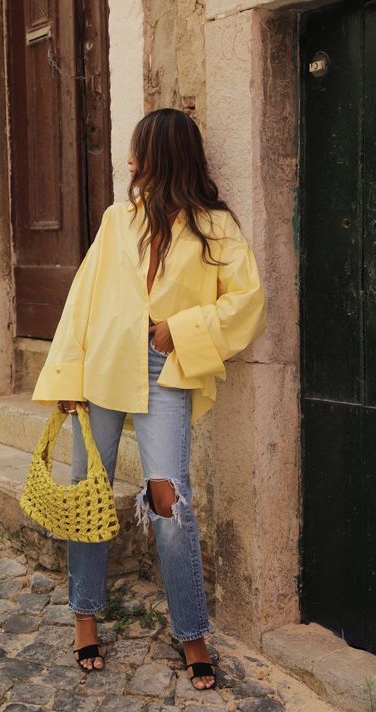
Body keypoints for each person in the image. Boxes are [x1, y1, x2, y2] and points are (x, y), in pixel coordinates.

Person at [31, 108, 267, 690]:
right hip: (104, 366)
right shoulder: (117, 220)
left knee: (170, 499)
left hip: (167, 367)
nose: (129, 159)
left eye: (138, 149)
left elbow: (248, 301)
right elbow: (83, 301)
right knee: (91, 487)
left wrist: (180, 329)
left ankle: (192, 631)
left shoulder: (214, 227)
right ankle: (85, 616)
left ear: (160, 155)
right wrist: (68, 381)